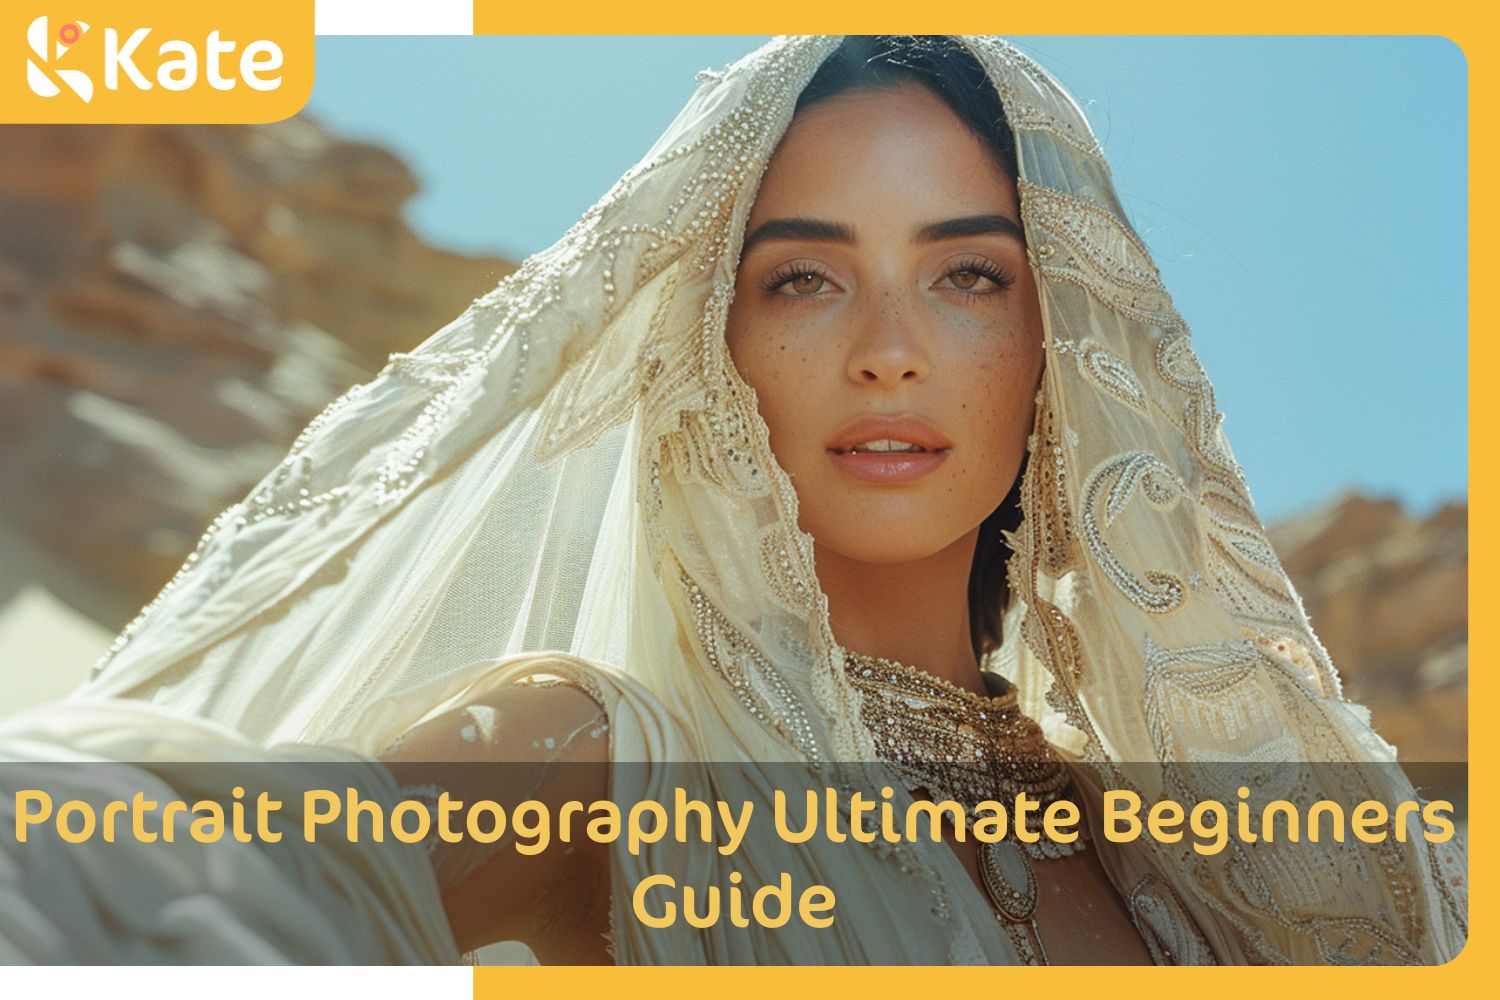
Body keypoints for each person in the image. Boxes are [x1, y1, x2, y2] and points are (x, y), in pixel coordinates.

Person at [2, 35, 1466, 965]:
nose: (887, 346)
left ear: (1062, 349)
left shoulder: (1219, 865)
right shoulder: (602, 759)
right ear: (713, 345)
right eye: (803, 277)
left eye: (968, 276)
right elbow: (185, 875)